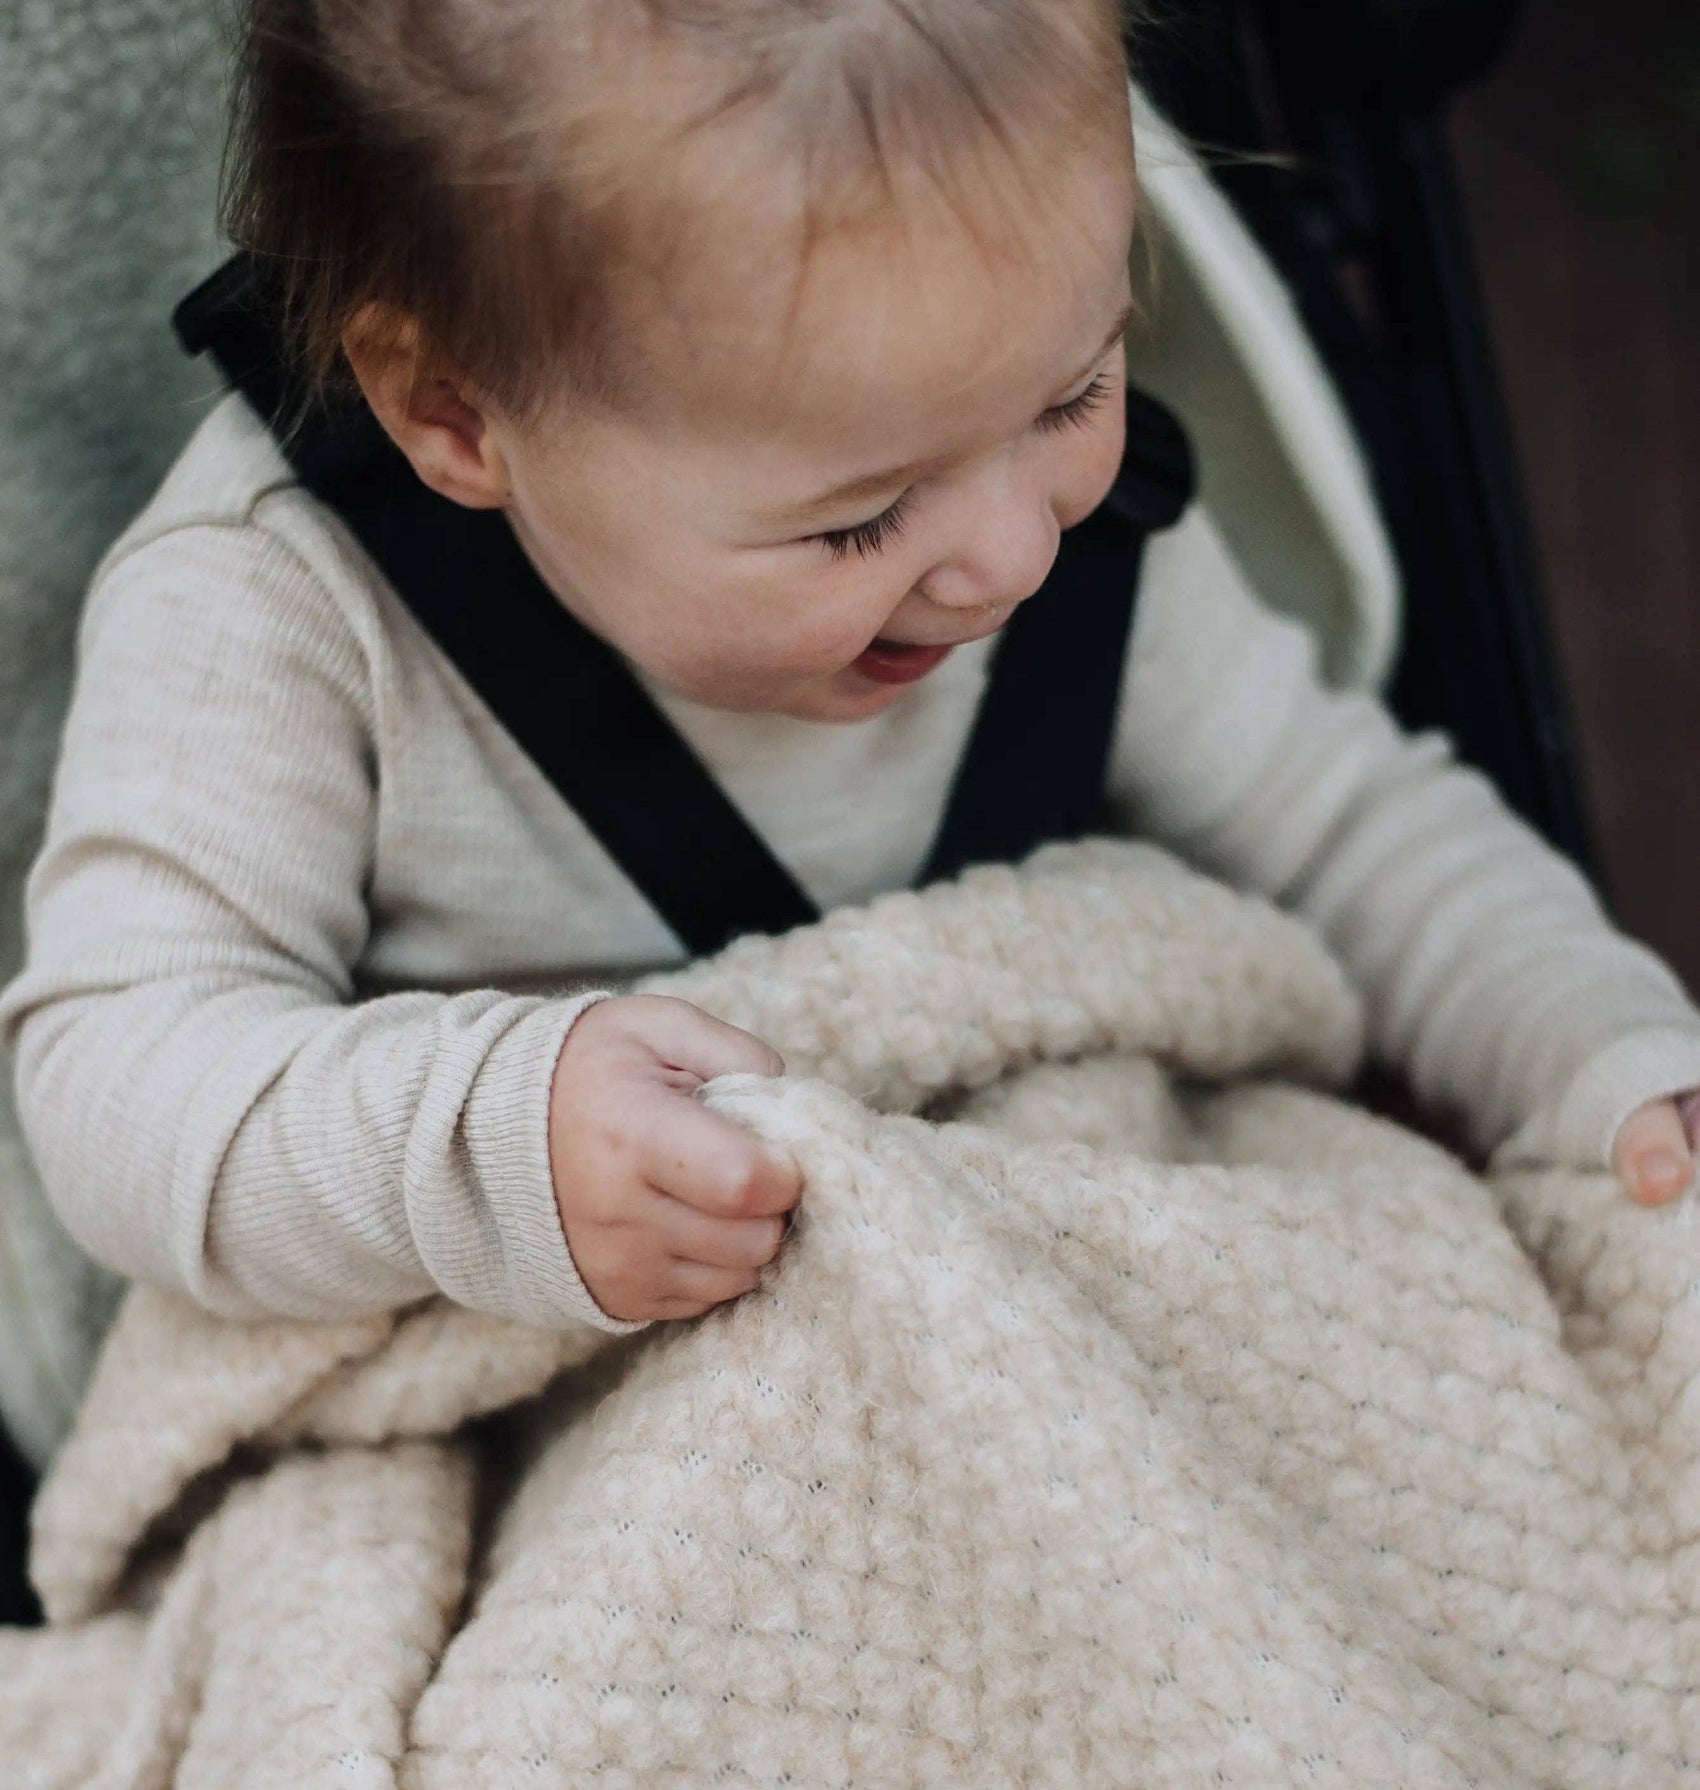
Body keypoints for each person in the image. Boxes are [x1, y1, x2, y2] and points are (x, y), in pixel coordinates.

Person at [6, 0, 1700, 1336]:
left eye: (1073, 394)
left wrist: (1607, 1053)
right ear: (455, 413)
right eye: (859, 520)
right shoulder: (279, 618)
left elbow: (1344, 826)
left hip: (1035, 1248)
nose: (1016, 556)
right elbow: (120, 1078)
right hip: (524, 1386)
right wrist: (487, 1143)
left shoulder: (1044, 532)